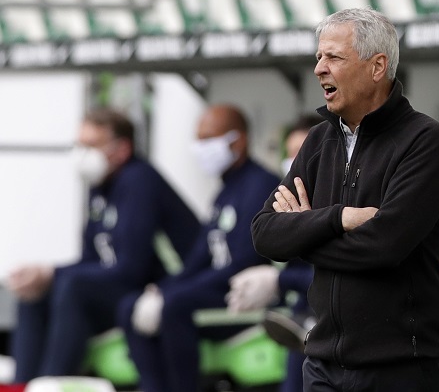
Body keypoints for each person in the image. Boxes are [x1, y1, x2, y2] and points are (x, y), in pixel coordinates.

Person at [251, 7, 439, 392]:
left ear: (377, 66)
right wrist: (338, 219)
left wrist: (304, 233)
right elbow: (265, 234)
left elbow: (382, 247)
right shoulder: (318, 140)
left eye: (333, 57)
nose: (319, 69)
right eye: (318, 57)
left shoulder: (425, 141)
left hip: (403, 369)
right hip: (323, 365)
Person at [9, 108, 200, 382]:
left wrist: (54, 274)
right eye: (79, 145)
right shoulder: (100, 186)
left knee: (72, 287)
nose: (82, 154)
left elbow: (132, 268)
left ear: (121, 149)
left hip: (159, 290)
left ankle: (52, 382)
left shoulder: (139, 180)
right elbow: (92, 258)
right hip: (121, 288)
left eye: (91, 146)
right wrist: (44, 274)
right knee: (35, 292)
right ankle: (23, 384)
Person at [116, 104, 280, 392]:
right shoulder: (224, 192)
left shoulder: (260, 185)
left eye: (208, 139)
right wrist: (161, 289)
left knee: (175, 305)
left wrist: (173, 294)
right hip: (215, 292)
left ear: (237, 140)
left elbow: (243, 261)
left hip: (245, 298)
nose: (200, 148)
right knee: (132, 304)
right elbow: (199, 260)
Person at [226, 114, 322, 392]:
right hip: (305, 318)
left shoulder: (347, 203)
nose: (294, 162)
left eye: (301, 153)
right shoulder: (288, 203)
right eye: (290, 153)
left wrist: (278, 280)